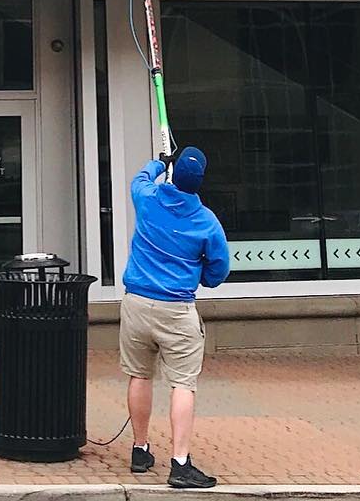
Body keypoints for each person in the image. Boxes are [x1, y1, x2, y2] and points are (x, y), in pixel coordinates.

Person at [120, 145, 230, 490]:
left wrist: (158, 163)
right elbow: (218, 270)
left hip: (137, 303)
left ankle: (140, 449)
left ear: (174, 173)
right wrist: (200, 276)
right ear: (200, 182)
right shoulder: (206, 221)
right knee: (182, 384)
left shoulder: (148, 199)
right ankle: (180, 463)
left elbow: (139, 179)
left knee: (139, 376)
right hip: (177, 310)